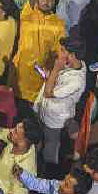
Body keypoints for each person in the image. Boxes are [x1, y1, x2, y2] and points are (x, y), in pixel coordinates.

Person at [35, 36, 87, 167]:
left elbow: (48, 93)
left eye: (63, 50)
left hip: (55, 119)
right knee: (41, 138)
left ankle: (50, 170)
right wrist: (50, 75)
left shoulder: (76, 80)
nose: (59, 53)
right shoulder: (71, 64)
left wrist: (56, 69)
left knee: (51, 147)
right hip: (44, 110)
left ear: (72, 55)